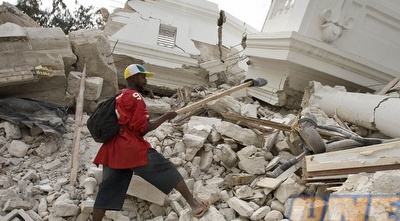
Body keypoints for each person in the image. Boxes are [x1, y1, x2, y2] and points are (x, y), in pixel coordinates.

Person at [92, 64, 210, 220]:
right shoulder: (135, 97)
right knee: (167, 169)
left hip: (112, 148)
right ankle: (195, 206)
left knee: (107, 190)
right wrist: (165, 117)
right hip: (130, 147)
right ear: (133, 78)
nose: (145, 81)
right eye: (142, 77)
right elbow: (143, 129)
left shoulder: (119, 95)